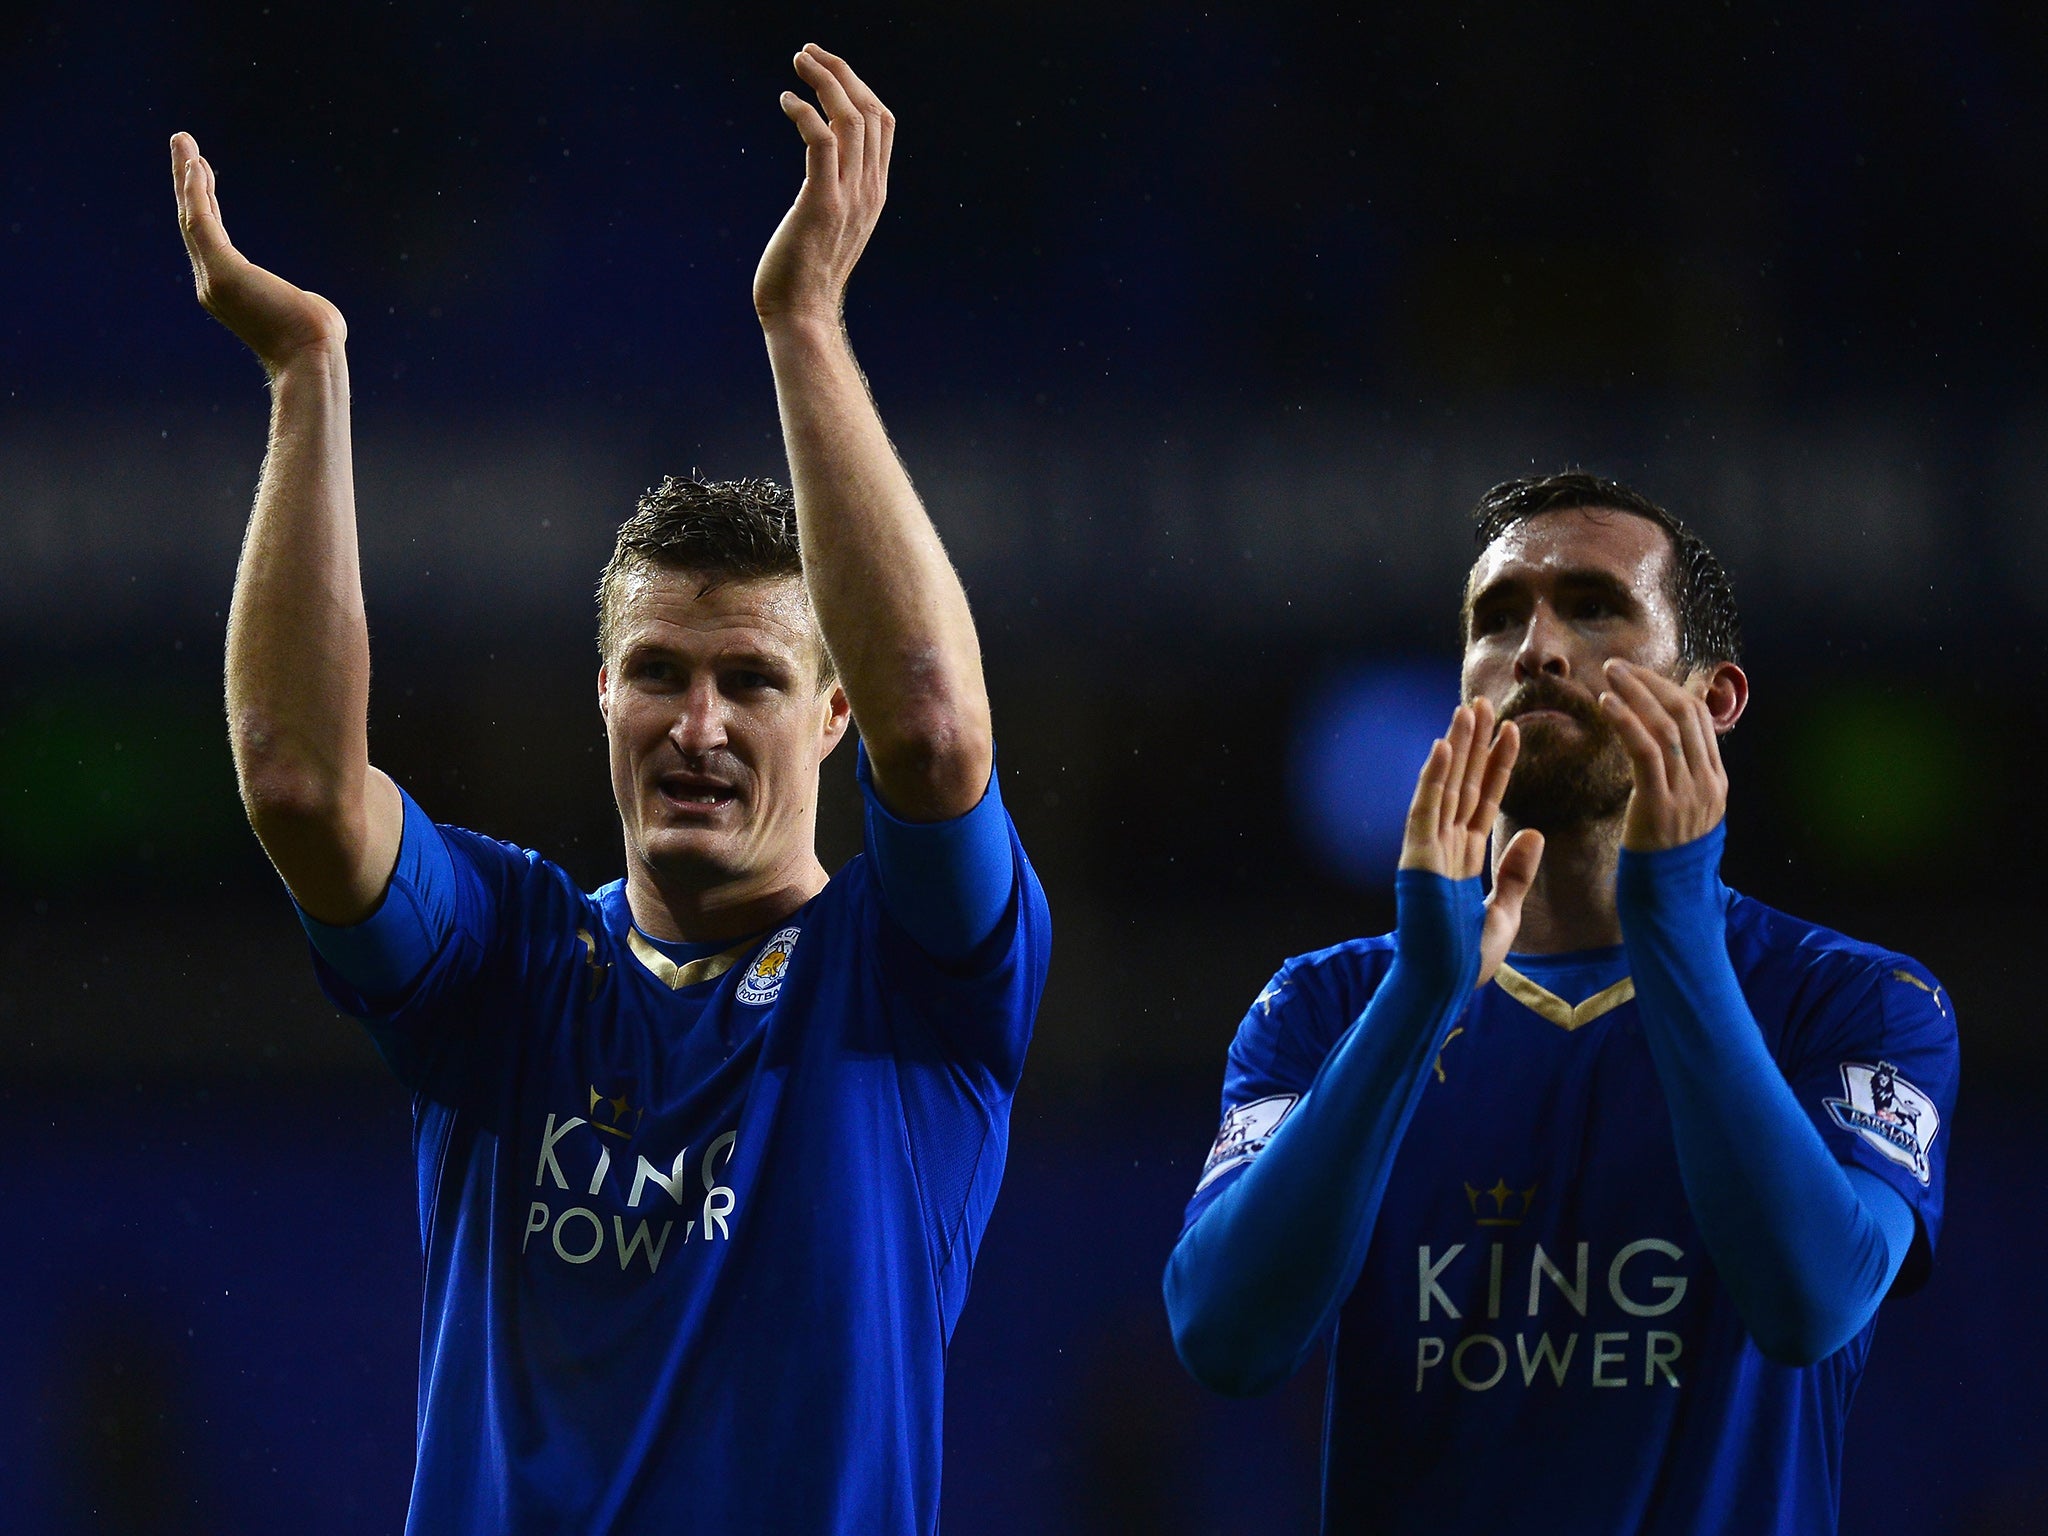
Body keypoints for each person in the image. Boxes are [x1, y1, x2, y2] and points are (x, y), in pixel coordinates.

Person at [172, 44, 1049, 1534]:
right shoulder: (508, 960)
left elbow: (939, 726)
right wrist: (305, 377)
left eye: (753, 681)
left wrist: (804, 324)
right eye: (656, 672)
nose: (696, 723)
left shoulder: (916, 976)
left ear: (829, 713)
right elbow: (301, 785)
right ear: (601, 696)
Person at [1163, 474, 1956, 1534]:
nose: (1534, 649)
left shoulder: (1854, 1002)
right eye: (1496, 620)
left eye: (1591, 606)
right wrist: (1415, 1002)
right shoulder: (1326, 1006)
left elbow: (1808, 1301)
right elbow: (1225, 1339)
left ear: (1711, 699)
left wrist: (1670, 921)